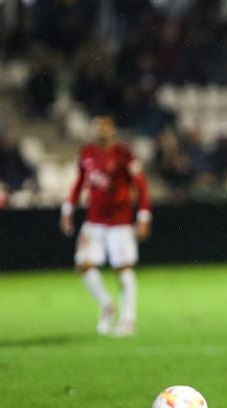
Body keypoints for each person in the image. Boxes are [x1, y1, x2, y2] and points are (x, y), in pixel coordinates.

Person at [60, 114, 151, 336]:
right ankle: (107, 305)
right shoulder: (87, 153)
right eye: (97, 127)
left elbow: (141, 187)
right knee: (83, 264)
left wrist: (144, 217)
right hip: (94, 221)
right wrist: (67, 210)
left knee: (123, 268)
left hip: (120, 222)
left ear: (113, 130)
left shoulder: (124, 154)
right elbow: (79, 183)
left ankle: (128, 320)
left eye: (105, 127)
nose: (101, 131)